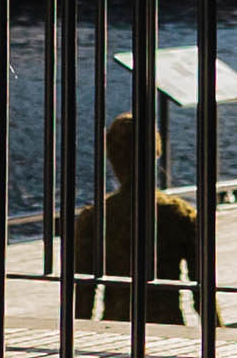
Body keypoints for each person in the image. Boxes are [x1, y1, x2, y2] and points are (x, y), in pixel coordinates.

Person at [66, 112, 211, 324]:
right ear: (156, 153)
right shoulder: (180, 214)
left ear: (111, 157)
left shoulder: (94, 219)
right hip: (167, 328)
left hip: (115, 330)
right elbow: (203, 293)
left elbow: (83, 298)